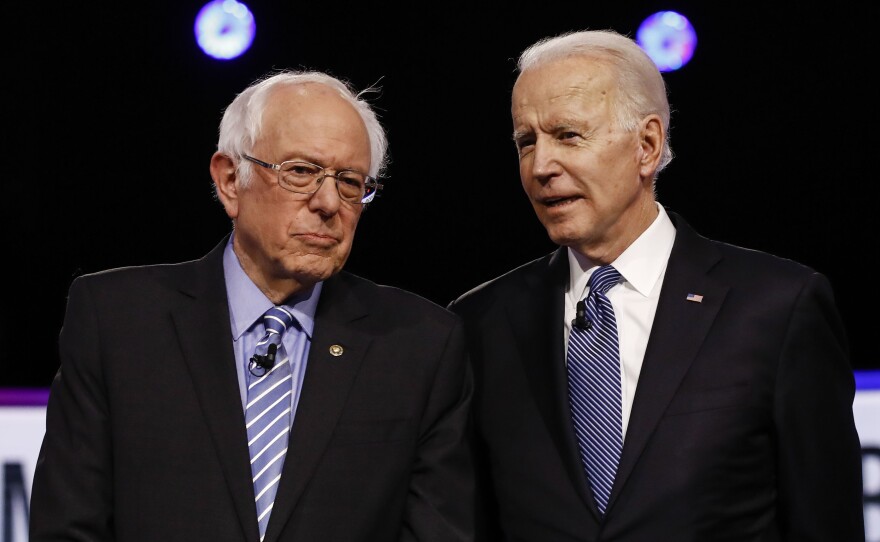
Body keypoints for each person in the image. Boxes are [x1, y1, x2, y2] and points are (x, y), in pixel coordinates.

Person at [448, 29, 865, 541]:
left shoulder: (777, 309)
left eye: (568, 135)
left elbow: (827, 523)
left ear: (647, 145)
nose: (541, 167)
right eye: (525, 142)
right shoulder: (480, 323)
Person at [30, 70, 474, 541]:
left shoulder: (420, 345)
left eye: (349, 182)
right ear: (229, 181)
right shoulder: (117, 321)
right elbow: (67, 527)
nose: (328, 202)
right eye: (301, 172)